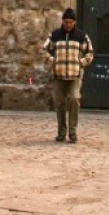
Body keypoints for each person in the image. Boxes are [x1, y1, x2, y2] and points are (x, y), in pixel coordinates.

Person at [43, 7, 94, 143]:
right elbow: (44, 50)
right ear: (63, 21)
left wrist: (81, 62)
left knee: (74, 99)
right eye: (66, 22)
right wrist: (52, 61)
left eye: (71, 22)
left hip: (75, 74)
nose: (68, 25)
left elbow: (90, 52)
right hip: (59, 75)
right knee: (59, 103)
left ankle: (72, 131)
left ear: (74, 22)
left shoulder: (81, 36)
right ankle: (61, 131)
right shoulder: (54, 35)